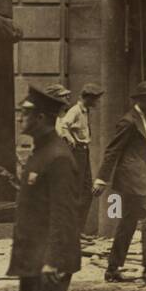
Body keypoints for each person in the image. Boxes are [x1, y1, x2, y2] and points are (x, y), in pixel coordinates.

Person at [7, 84, 98, 291]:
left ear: (42, 117)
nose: (21, 118)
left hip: (50, 258)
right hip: (34, 255)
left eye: (26, 113)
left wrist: (54, 261)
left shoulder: (58, 157)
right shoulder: (40, 153)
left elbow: (64, 216)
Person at [94, 80, 146, 286]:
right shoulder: (128, 121)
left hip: (141, 177)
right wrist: (102, 178)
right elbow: (112, 150)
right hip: (131, 178)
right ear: (141, 100)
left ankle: (113, 269)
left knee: (127, 222)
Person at [57, 81, 104, 235]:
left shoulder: (85, 111)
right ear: (88, 98)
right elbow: (64, 126)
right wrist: (70, 139)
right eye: (95, 99)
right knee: (77, 192)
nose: (97, 102)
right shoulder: (75, 110)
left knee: (86, 191)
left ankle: (78, 231)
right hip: (77, 152)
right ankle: (74, 233)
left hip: (84, 152)